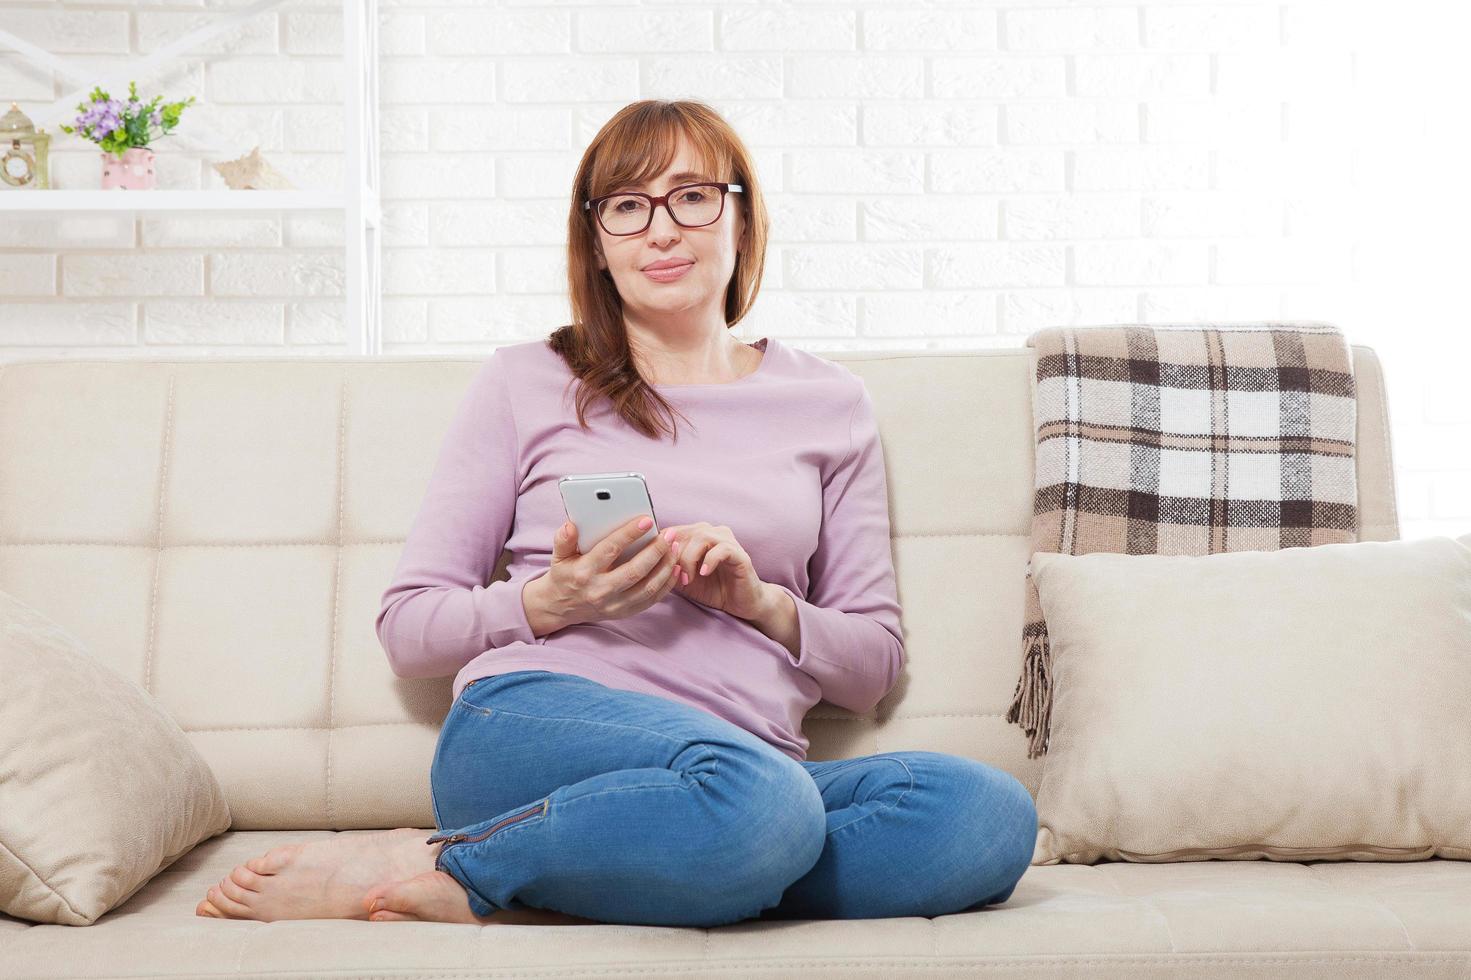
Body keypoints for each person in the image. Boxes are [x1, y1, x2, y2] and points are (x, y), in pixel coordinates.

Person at [194, 99, 1037, 928]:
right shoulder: (525, 381)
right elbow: (408, 629)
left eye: (691, 196)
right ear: (596, 244)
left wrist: (758, 603)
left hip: (746, 768)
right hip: (533, 722)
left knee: (984, 816)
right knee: (762, 810)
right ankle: (495, 860)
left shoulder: (830, 402)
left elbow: (871, 668)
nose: (661, 230)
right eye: (627, 207)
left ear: (740, 218)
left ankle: (584, 865)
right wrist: (551, 602)